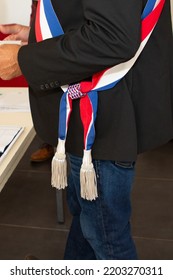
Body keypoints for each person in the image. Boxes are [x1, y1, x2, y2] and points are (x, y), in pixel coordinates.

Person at [0, 0, 173, 260]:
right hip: (93, 114)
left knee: (107, 238)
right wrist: (38, 36)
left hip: (102, 117)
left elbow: (112, 37)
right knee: (89, 223)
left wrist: (24, 60)